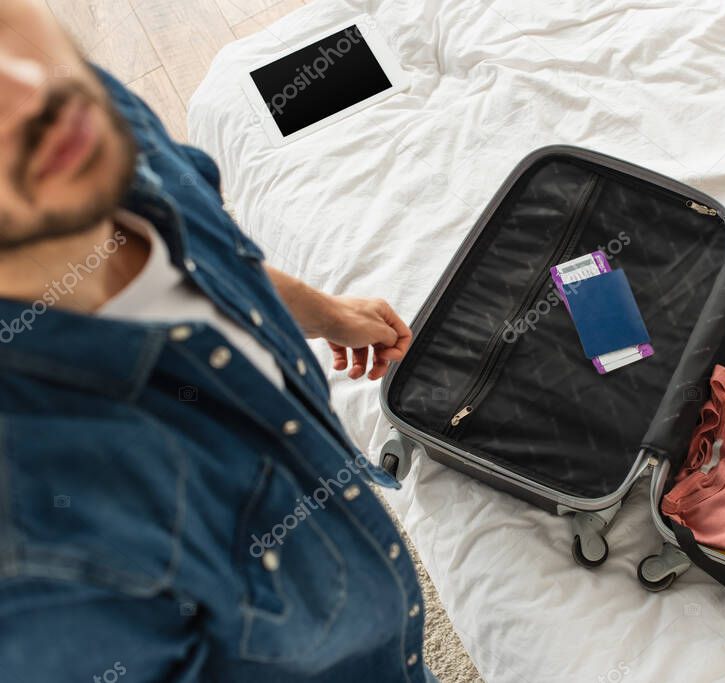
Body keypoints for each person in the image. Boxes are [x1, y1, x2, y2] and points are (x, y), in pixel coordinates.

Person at [0, 2, 434, 680]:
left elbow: (198, 239)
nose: (30, 89)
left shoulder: (82, 126)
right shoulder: (38, 581)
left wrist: (325, 313)